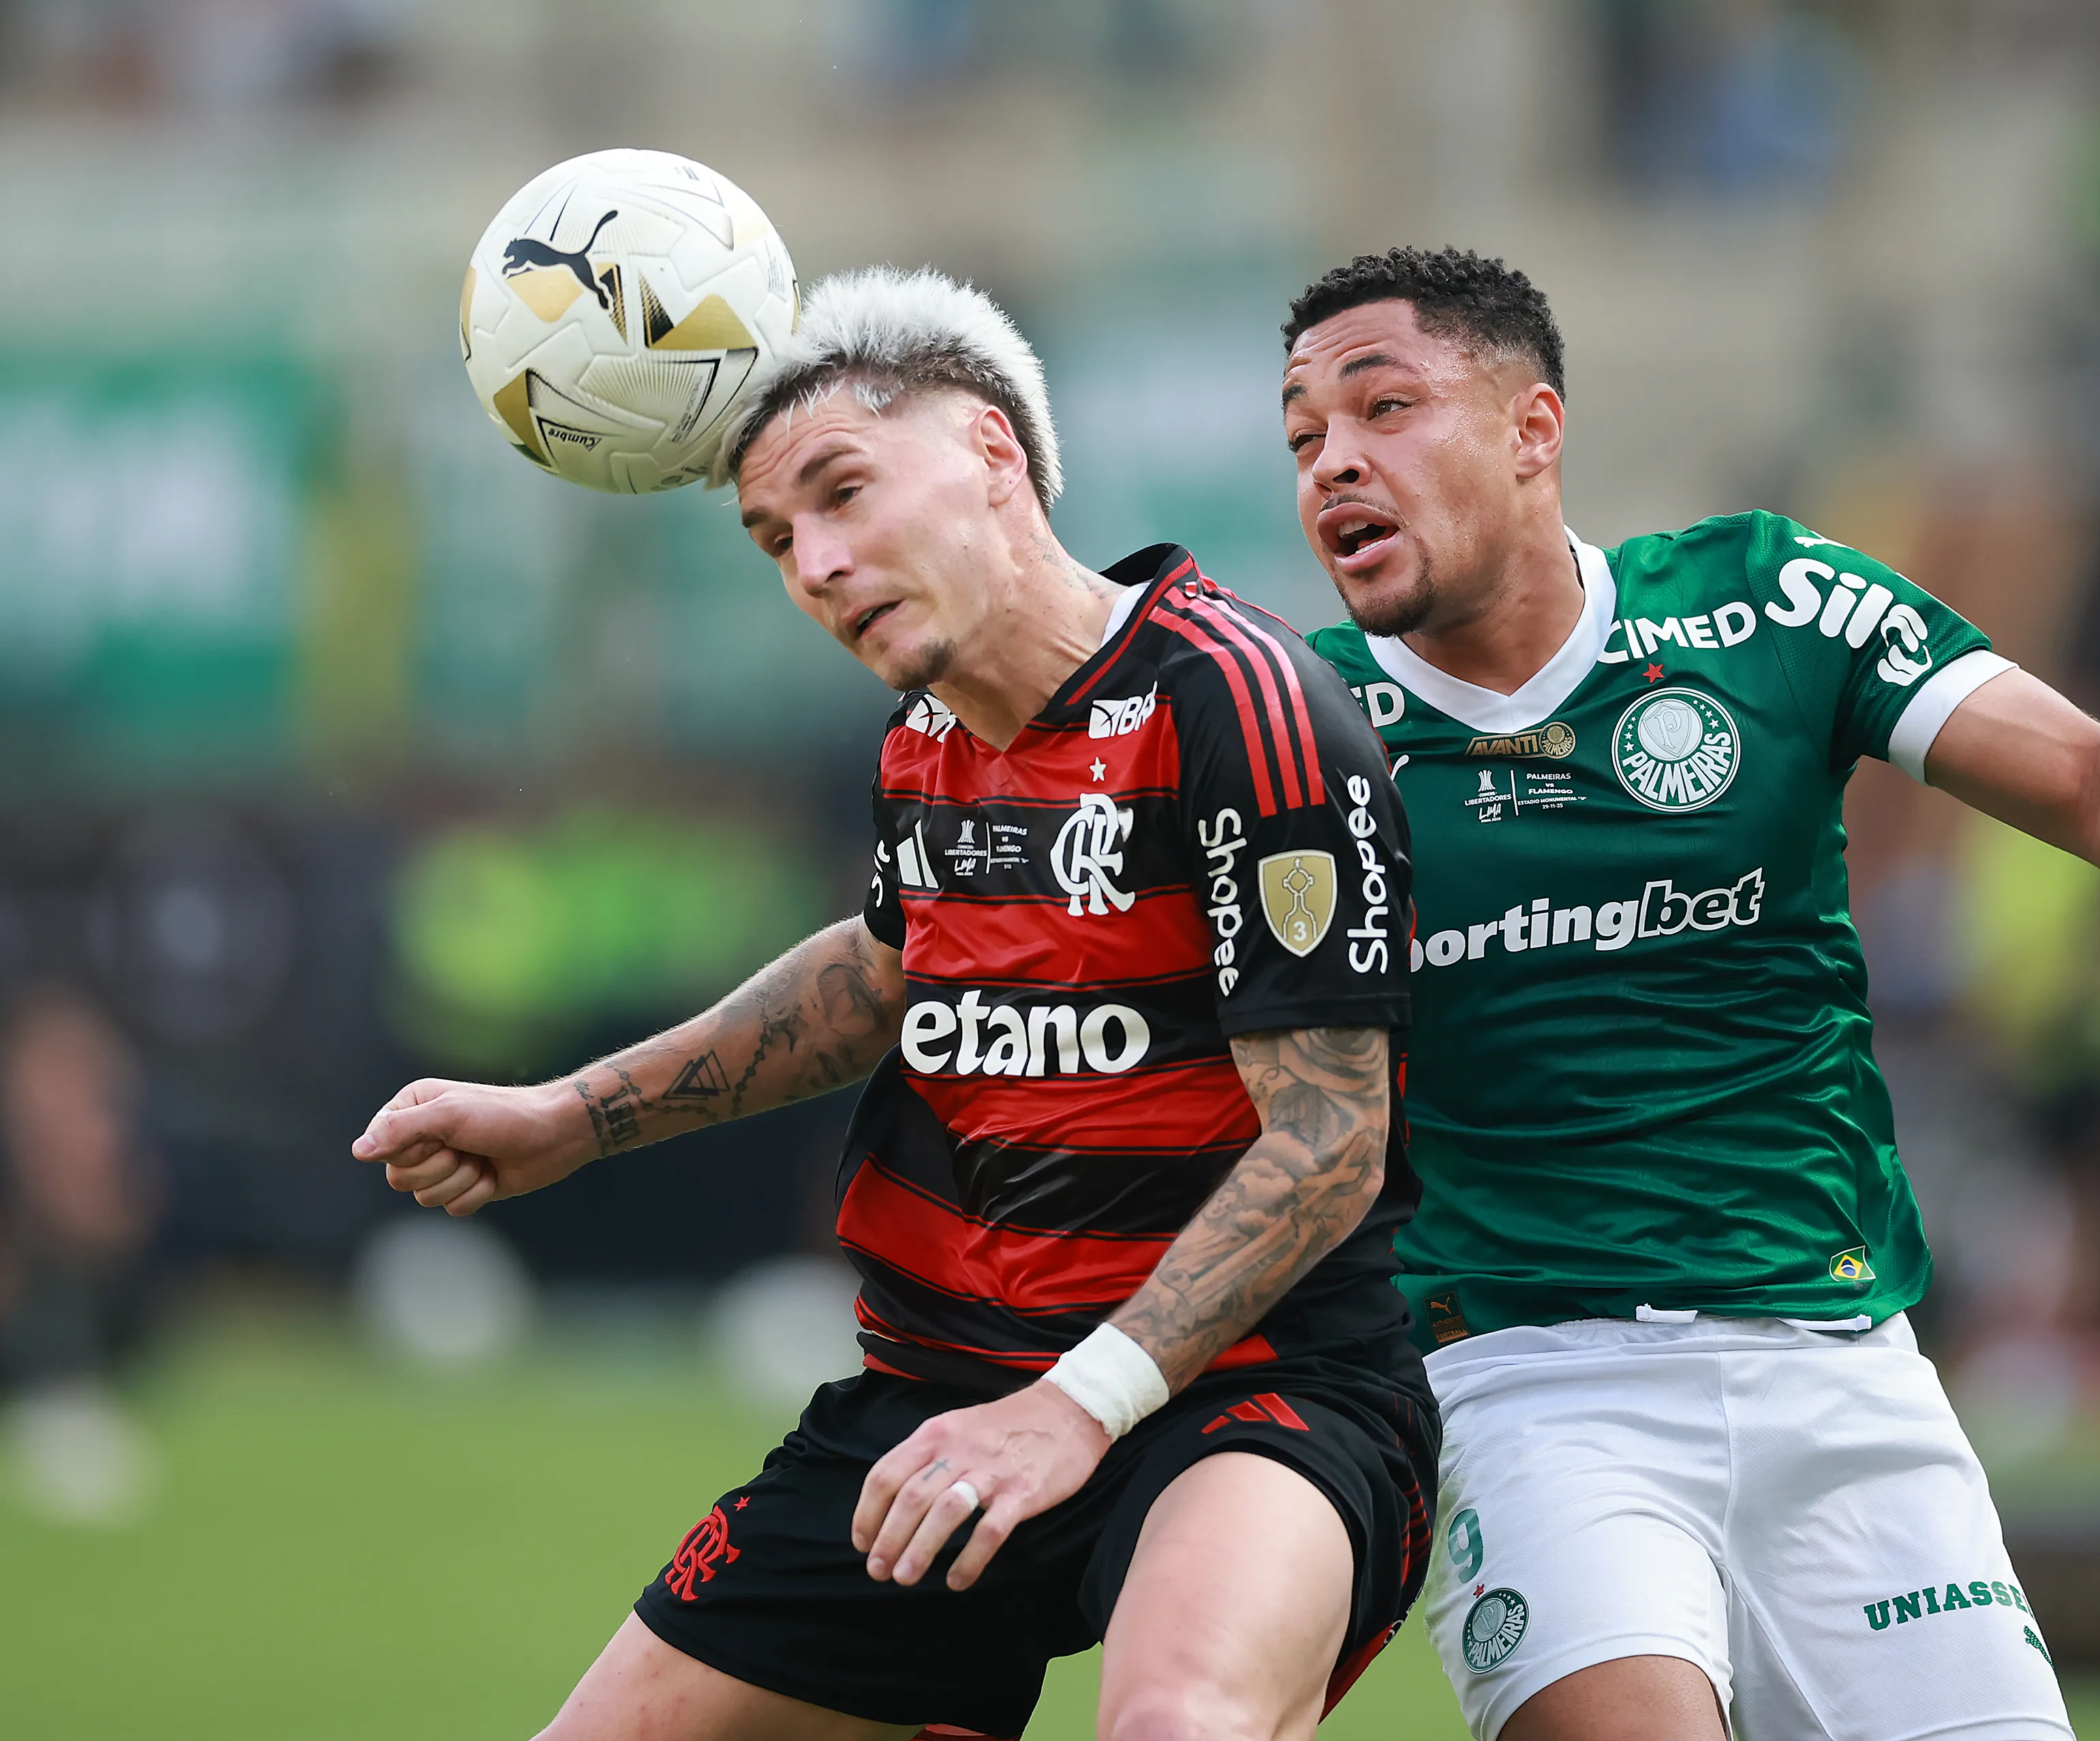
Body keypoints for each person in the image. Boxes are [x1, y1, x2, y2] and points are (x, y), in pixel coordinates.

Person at [351, 267, 1438, 1741]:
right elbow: (882, 967)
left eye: (843, 492)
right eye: (774, 538)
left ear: (992, 452)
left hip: (1252, 1395)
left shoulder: (1242, 703)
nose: (814, 562)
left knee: (1177, 1720)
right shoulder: (926, 736)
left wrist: (1077, 1404)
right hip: (944, 1393)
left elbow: (1329, 1140)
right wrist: (571, 1115)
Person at [1276, 247, 2100, 1741]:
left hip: (1840, 1370)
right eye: (1304, 435)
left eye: (1383, 408)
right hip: (1531, 1387)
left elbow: (2095, 774)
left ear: (1532, 428)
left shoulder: (1768, 604)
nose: (1334, 461)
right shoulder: (1298, 723)